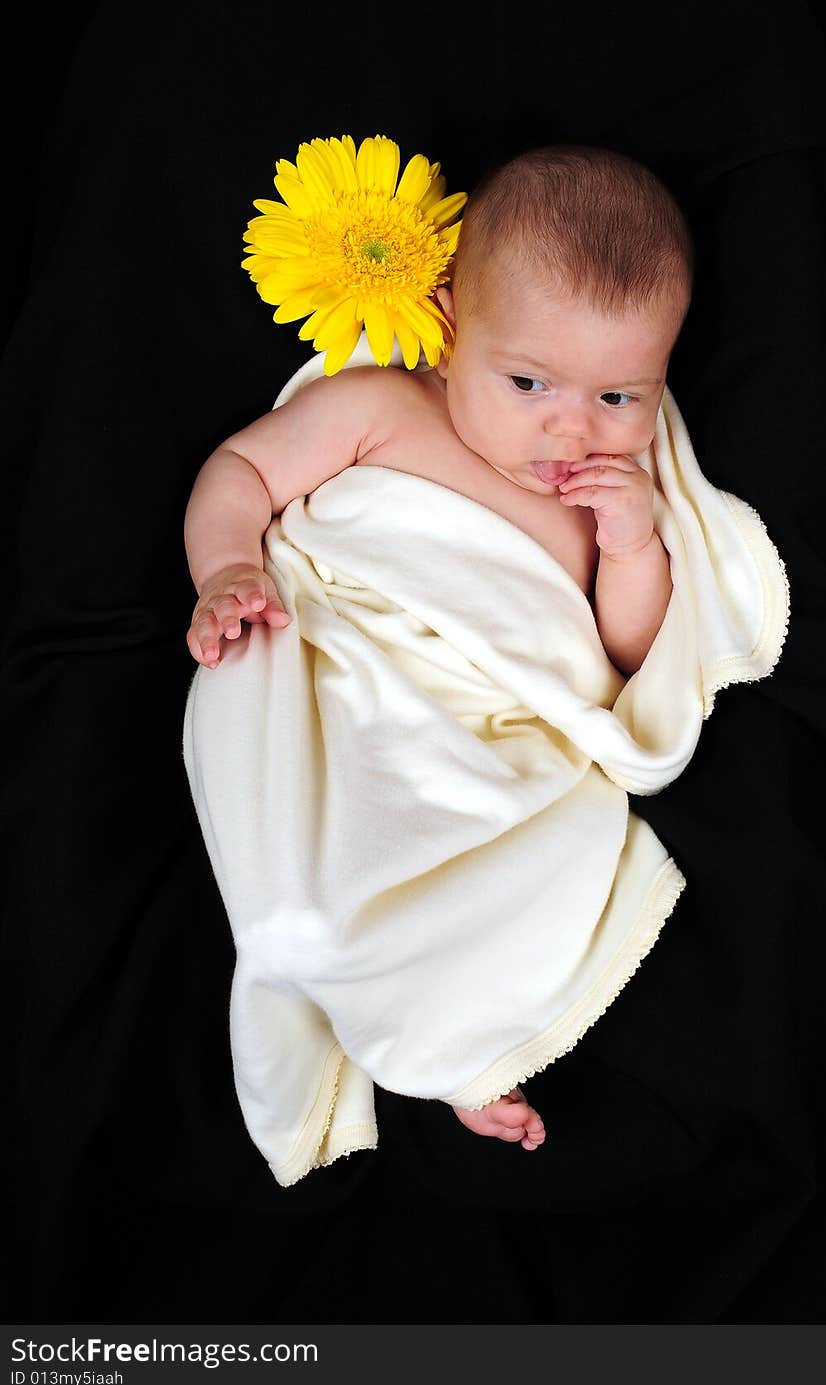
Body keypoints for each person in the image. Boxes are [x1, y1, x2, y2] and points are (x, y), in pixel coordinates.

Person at [183, 144, 695, 1157]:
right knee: (310, 874)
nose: (570, 429)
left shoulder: (598, 504)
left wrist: (634, 544)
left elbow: (622, 658)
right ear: (453, 326)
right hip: (341, 670)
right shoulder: (382, 407)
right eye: (529, 381)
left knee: (507, 859)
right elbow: (242, 467)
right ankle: (386, 1012)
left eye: (618, 398)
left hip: (485, 724)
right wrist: (226, 569)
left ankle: (454, 1036)